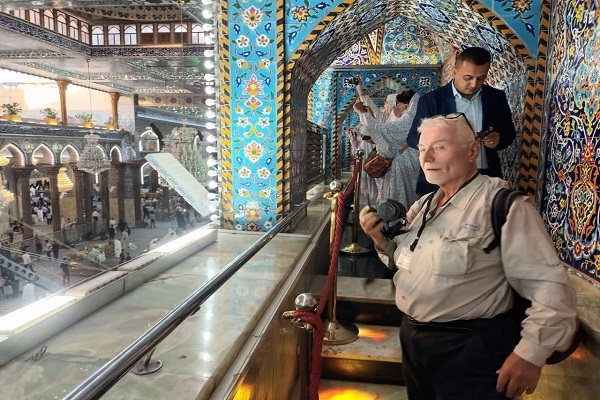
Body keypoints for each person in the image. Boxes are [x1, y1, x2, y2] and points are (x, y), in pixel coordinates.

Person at [359, 114, 577, 399]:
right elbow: (404, 261)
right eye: (423, 149)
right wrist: (379, 238)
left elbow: (550, 289)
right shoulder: (424, 205)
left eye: (440, 147)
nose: (427, 157)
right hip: (415, 341)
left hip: (471, 349)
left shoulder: (502, 206)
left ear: (472, 151)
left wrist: (530, 355)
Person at [407, 46, 517, 195]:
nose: (474, 84)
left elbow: (509, 132)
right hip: (443, 182)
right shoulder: (432, 100)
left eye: (481, 78)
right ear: (455, 71)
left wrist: (499, 139)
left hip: (485, 178)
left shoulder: (495, 97)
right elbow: (413, 138)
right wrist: (442, 143)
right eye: (468, 77)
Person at [354, 89, 421, 207]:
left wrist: (362, 114)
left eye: (398, 103)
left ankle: (398, 221)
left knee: (399, 200)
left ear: (407, 104)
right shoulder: (412, 118)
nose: (396, 106)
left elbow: (382, 130)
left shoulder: (409, 119)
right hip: (407, 161)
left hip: (402, 164)